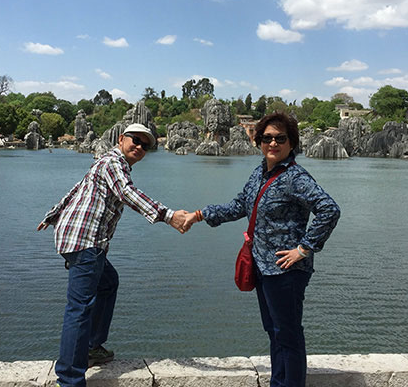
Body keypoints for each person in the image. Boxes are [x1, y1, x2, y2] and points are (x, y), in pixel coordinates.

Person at [183, 112, 340, 387]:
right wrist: (198, 215)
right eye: (267, 138)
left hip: (286, 270)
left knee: (288, 335)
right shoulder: (259, 173)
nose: (273, 143)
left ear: (291, 142)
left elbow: (329, 209)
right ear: (258, 141)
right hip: (263, 267)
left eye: (281, 138)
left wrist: (303, 249)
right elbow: (238, 206)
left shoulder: (295, 177)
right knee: (275, 332)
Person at [37, 123, 188, 387]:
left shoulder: (106, 163)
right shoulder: (113, 163)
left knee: (108, 282)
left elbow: (78, 188)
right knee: (79, 308)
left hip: (82, 240)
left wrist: (53, 215)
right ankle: (70, 378)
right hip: (85, 241)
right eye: (136, 140)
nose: (140, 147)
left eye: (146, 145)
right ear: (121, 139)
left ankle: (93, 347)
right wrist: (168, 215)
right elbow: (127, 193)